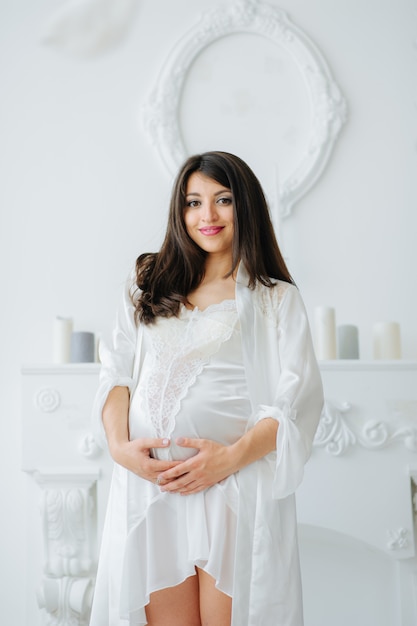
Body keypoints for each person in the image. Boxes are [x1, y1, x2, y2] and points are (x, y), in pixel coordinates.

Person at [89, 151, 324, 626]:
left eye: (223, 200)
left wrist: (229, 459)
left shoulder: (274, 298)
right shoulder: (146, 284)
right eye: (193, 202)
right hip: (153, 489)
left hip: (233, 489)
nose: (207, 216)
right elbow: (115, 374)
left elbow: (296, 402)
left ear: (247, 207)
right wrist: (119, 448)